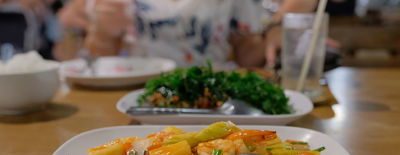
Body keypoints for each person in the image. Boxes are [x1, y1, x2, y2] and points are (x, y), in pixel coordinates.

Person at [55, 0, 318, 68]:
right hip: (137, 94)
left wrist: (279, 28)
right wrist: (102, 33)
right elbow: (100, 60)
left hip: (210, 94)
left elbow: (247, 55)